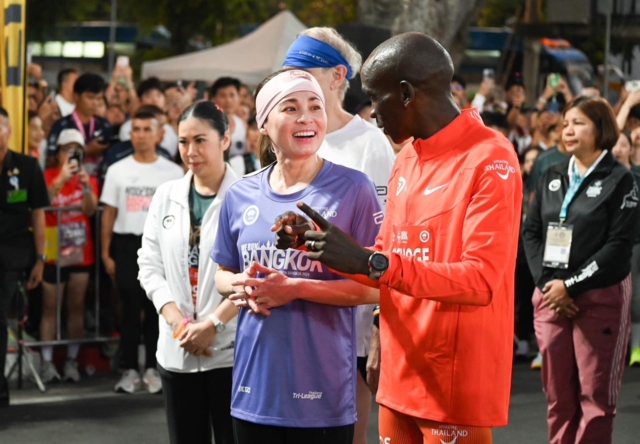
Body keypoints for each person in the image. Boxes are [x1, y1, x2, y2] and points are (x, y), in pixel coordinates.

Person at [266, 33, 522, 443]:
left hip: (451, 384)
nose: (370, 112)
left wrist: (370, 261)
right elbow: (385, 263)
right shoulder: (406, 158)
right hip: (399, 377)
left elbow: (480, 280)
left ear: (405, 94)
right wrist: (313, 243)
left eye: (374, 97)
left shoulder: (490, 157)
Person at [211, 69, 381, 443]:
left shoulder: (354, 188)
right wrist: (239, 283)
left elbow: (377, 288)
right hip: (253, 389)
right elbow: (222, 274)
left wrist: (295, 289)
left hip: (323, 392)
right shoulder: (240, 194)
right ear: (264, 123)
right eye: (290, 108)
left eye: (315, 106)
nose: (307, 117)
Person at [282, 26, 396, 443]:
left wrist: (380, 325)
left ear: (337, 76)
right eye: (288, 73)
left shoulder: (369, 144)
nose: (293, 82)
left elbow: (385, 241)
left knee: (346, 434)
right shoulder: (286, 137)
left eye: (303, 72)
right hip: (293, 308)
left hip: (350, 319)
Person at [522, 96, 638, 444]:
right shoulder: (552, 174)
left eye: (578, 123)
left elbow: (618, 247)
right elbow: (531, 232)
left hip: (598, 298)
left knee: (595, 399)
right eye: (566, 123)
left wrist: (569, 286)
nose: (568, 130)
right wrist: (549, 285)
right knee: (558, 398)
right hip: (551, 298)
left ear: (600, 129)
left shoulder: (621, 179)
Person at [138, 102, 238, 444]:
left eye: (200, 140)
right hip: (176, 348)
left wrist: (213, 325)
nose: (191, 151)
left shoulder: (247, 196)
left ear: (225, 139)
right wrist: (178, 323)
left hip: (230, 353)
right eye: (183, 142)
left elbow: (254, 273)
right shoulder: (166, 195)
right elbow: (149, 264)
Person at [101, 110, 184, 394]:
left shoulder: (173, 172)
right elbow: (109, 213)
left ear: (159, 134)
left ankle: (152, 367)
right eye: (136, 129)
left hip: (162, 245)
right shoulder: (117, 170)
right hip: (126, 245)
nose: (141, 135)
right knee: (129, 309)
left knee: (157, 308)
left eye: (147, 129)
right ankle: (129, 369)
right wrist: (105, 253)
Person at [0, 107, 49, 407]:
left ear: (8, 130)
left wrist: (41, 258)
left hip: (13, 256)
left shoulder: (28, 167)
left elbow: (38, 214)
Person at [40, 129, 98, 383]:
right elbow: (42, 203)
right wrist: (60, 180)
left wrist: (85, 187)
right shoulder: (47, 176)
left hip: (80, 249)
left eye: (77, 151)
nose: (72, 155)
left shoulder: (88, 178)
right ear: (59, 153)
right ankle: (46, 362)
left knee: (76, 307)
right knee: (50, 307)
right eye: (67, 150)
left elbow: (90, 210)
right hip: (53, 247)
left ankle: (72, 360)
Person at [47, 73, 112, 181]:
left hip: (97, 184)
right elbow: (50, 161)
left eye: (99, 98)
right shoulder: (62, 125)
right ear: (76, 96)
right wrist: (85, 151)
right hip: (68, 184)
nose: (95, 103)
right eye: (90, 98)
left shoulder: (104, 125)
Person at [611, 130, 640, 367]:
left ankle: (636, 347)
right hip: (609, 247)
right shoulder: (603, 179)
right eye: (614, 145)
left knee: (636, 298)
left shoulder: (638, 177)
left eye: (623, 145)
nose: (618, 150)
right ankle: (615, 349)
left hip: (636, 245)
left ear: (631, 148)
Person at [119, 77, 179, 158]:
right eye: (149, 96)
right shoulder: (127, 128)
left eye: (159, 95)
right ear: (139, 100)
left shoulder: (170, 131)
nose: (154, 100)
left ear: (165, 101)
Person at [209, 77, 246, 162]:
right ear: (213, 99)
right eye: (222, 96)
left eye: (232, 95)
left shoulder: (242, 124)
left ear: (238, 98)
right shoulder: (208, 124)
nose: (228, 100)